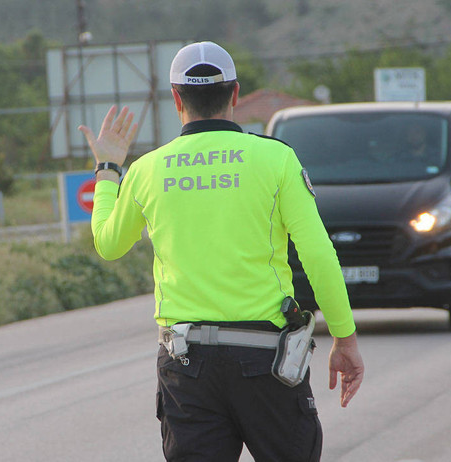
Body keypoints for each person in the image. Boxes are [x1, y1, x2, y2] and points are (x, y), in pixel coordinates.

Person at [79, 41, 364, 462]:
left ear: (176, 98)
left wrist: (107, 170)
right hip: (267, 360)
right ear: (234, 94)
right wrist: (345, 339)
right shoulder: (276, 159)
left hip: (186, 364)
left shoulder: (146, 170)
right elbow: (319, 256)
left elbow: (108, 243)